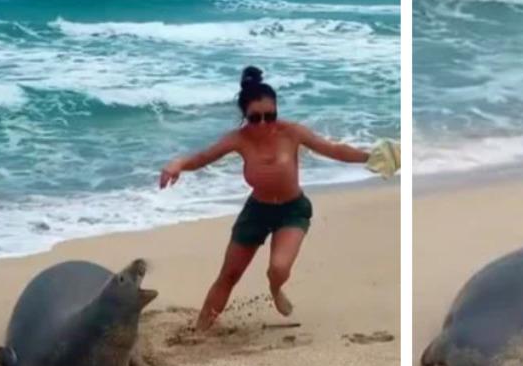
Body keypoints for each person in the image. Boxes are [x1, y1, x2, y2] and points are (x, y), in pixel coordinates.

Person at [159, 66, 371, 332]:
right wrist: (177, 163)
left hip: (292, 210)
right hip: (257, 211)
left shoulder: (292, 133)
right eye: (255, 118)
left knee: (278, 268)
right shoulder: (238, 139)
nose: (263, 124)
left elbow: (333, 149)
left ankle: (275, 288)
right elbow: (202, 158)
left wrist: (370, 157)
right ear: (245, 116)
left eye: (270, 116)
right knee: (229, 275)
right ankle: (200, 330)